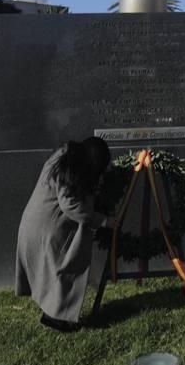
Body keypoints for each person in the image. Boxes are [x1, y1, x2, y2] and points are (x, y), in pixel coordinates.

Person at [15, 136, 112, 332]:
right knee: (65, 270)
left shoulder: (62, 156)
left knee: (51, 274)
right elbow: (72, 205)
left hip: (34, 223)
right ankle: (56, 319)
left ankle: (54, 316)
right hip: (51, 230)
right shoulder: (76, 169)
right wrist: (103, 220)